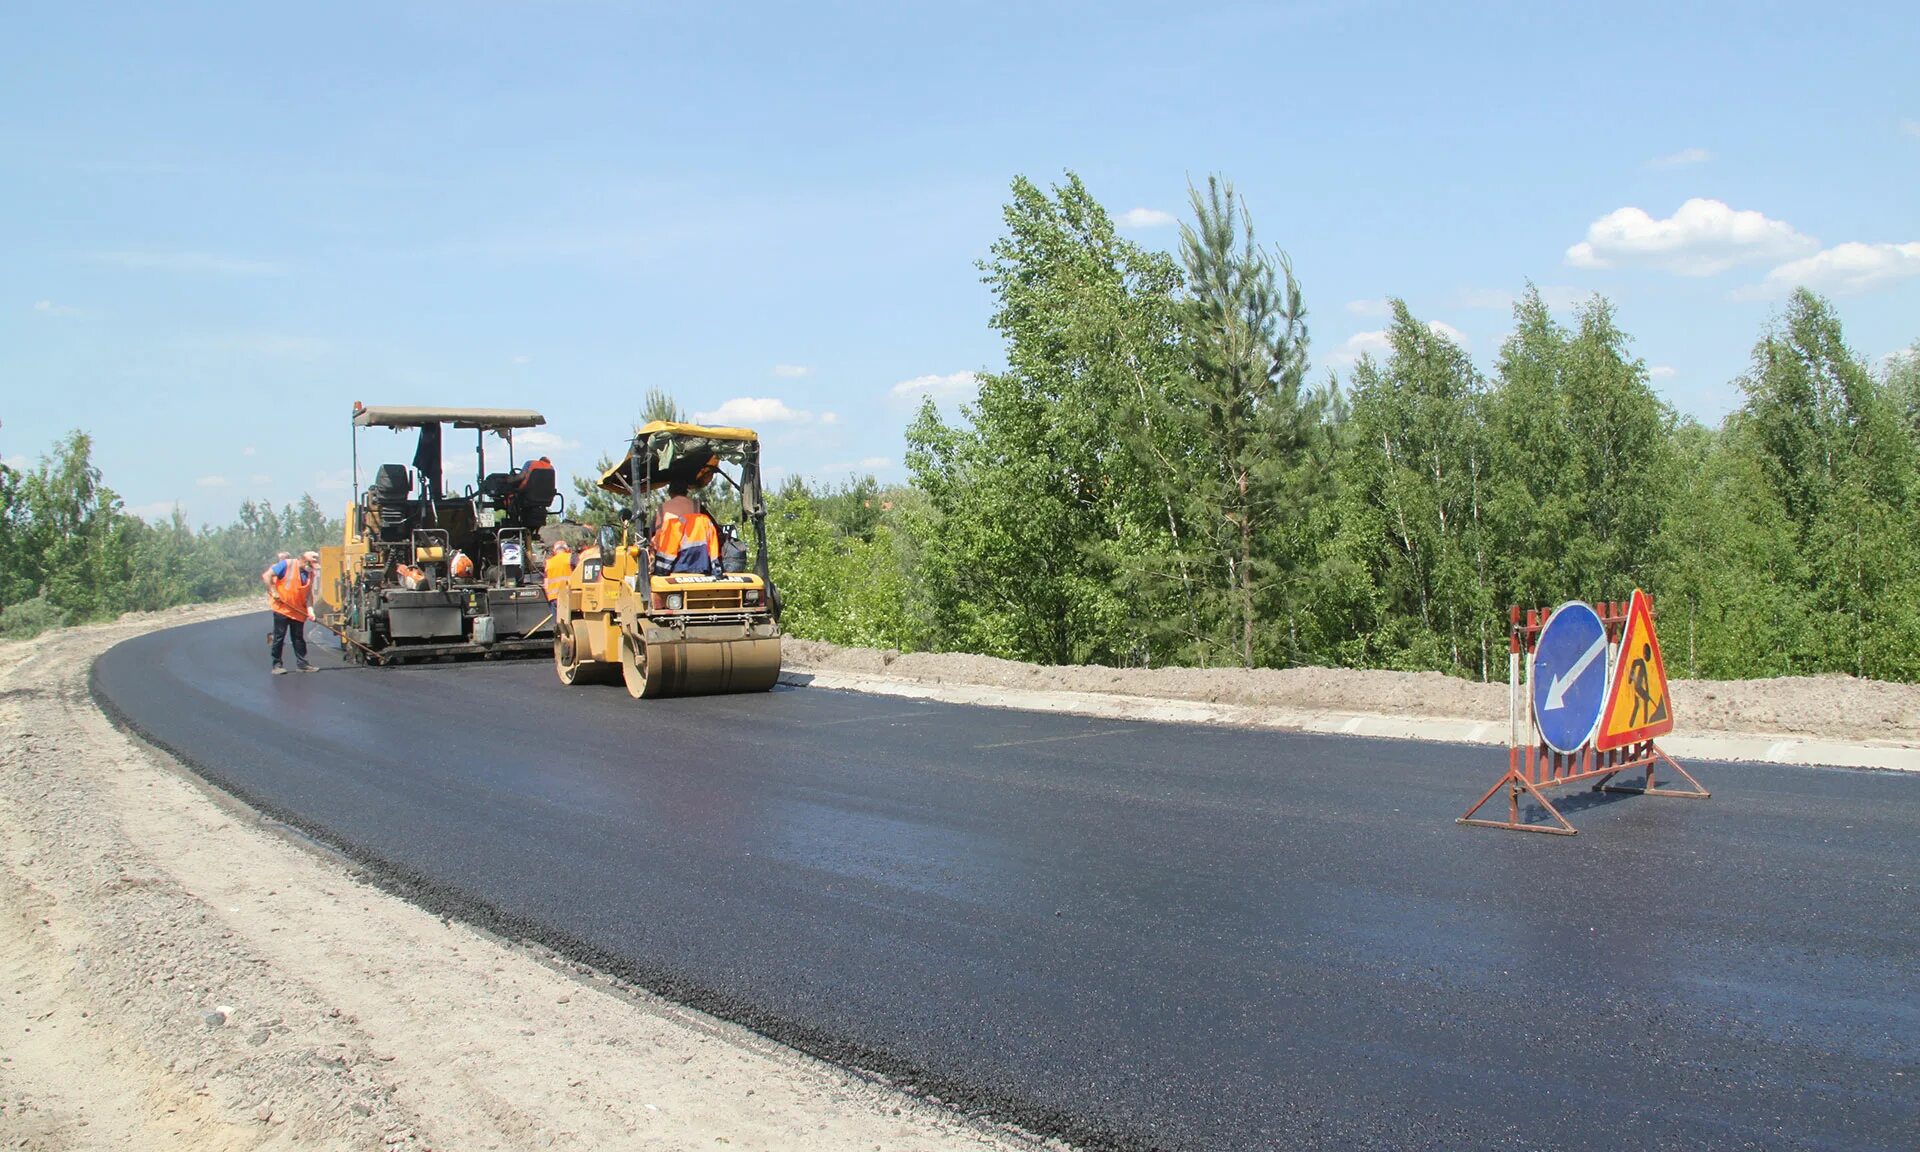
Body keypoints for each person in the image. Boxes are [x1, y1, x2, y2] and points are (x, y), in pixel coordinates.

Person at [261, 551, 319, 674]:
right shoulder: (286, 564)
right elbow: (266, 576)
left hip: (298, 610)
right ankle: (277, 665)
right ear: (303, 560)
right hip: (282, 607)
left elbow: (308, 594)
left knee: (298, 638)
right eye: (311, 564)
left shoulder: (310, 573)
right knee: (279, 637)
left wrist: (310, 610)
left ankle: (302, 664)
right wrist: (273, 591)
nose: (312, 568)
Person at [650, 482, 720, 574]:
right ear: (686, 492)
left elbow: (652, 534)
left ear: (670, 492)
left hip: (669, 560)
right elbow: (714, 528)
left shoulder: (661, 508)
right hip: (700, 561)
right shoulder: (698, 507)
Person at [543, 540, 573, 605]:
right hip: (568, 596)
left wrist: (550, 598)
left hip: (554, 599)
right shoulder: (571, 558)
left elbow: (546, 585)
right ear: (567, 549)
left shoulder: (548, 562)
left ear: (554, 550)